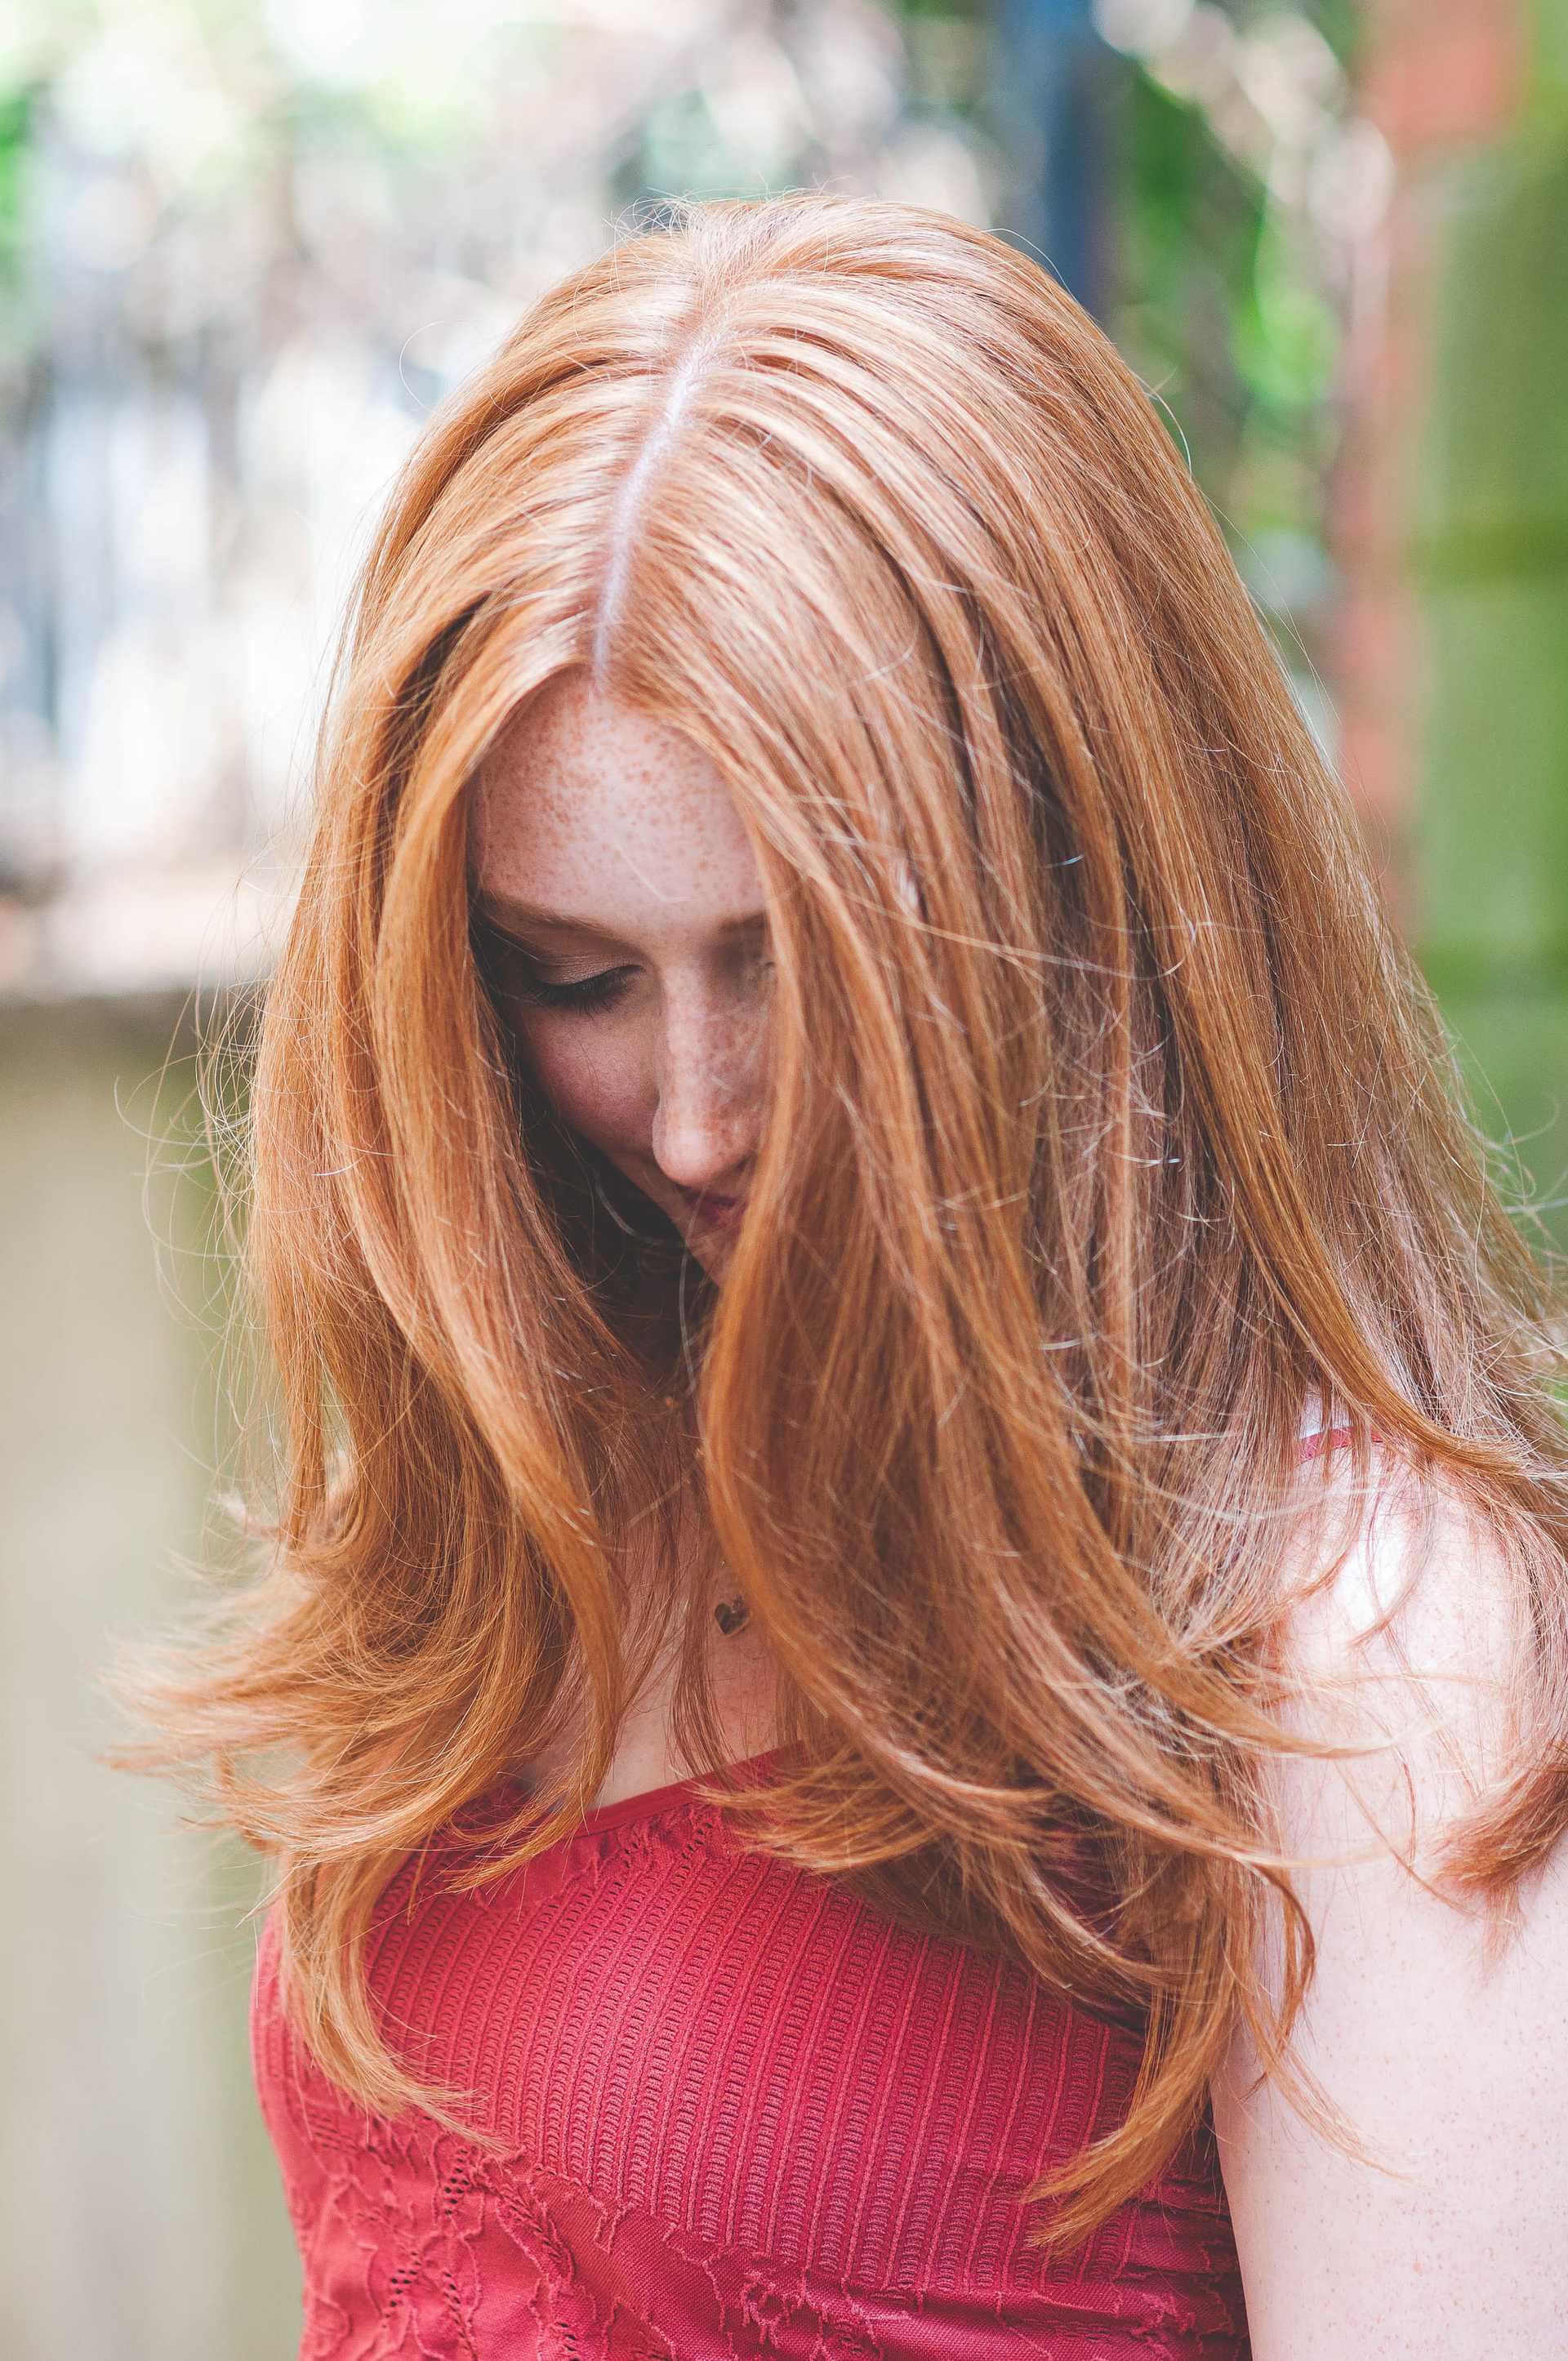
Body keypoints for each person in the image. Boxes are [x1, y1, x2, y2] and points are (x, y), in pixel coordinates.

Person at [111, 191, 1568, 2355]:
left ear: (1074, 898)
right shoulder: (580, 1439)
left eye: (784, 964)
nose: (691, 1114)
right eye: (577, 976)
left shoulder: (1347, 1625)